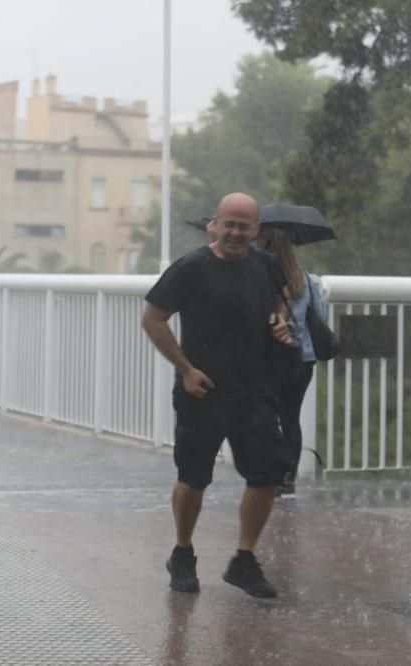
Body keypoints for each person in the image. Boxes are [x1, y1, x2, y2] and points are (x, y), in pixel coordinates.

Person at [141, 192, 295, 599]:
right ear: (216, 224)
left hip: (255, 389)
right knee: (193, 478)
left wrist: (280, 321)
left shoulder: (266, 264)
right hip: (202, 390)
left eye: (244, 226)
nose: (236, 232)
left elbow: (281, 302)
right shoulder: (192, 267)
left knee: (266, 476)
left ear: (255, 230)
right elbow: (152, 318)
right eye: (229, 224)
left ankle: (244, 561)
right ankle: (183, 553)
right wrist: (186, 370)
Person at [256, 225, 328, 497]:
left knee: (268, 416)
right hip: (304, 357)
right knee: (290, 417)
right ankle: (288, 479)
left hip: (275, 358)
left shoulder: (266, 278)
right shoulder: (305, 279)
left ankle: (272, 473)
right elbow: (320, 313)